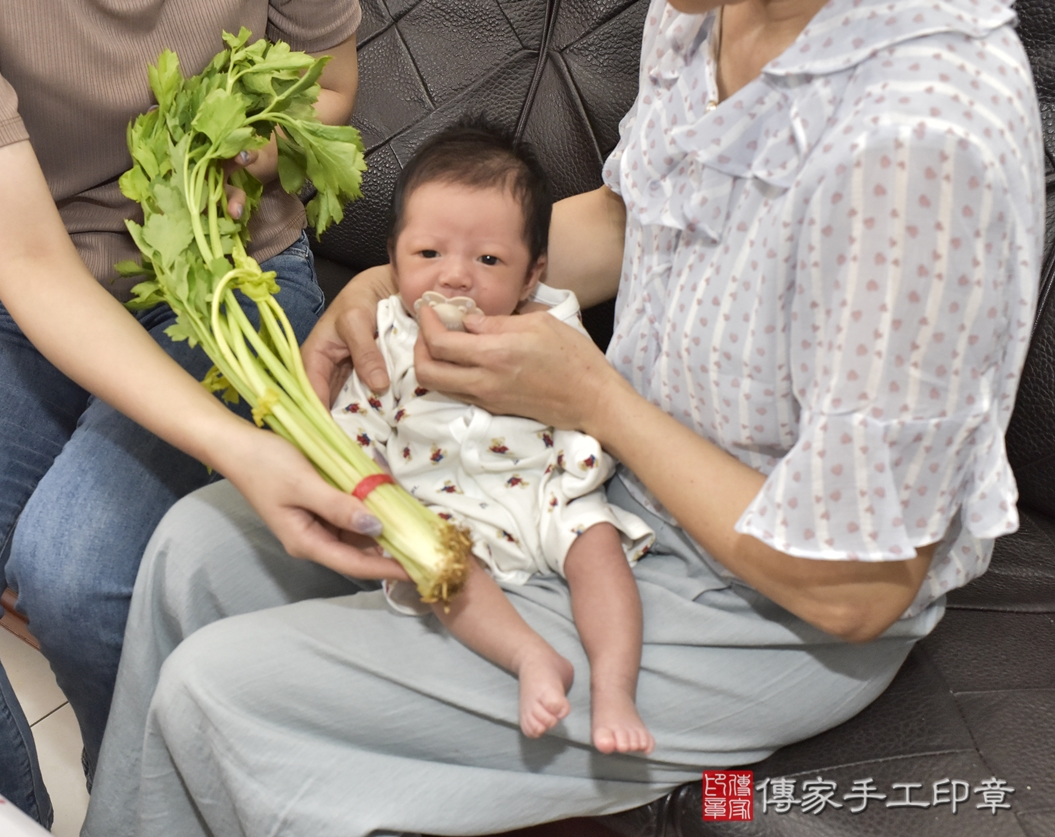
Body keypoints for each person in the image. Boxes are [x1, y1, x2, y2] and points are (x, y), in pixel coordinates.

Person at [84, 0, 1044, 832]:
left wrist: (595, 401)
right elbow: (632, 222)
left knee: (225, 693)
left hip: (766, 605)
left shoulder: (921, 140)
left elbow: (856, 586)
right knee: (196, 551)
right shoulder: (708, 13)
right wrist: (398, 285)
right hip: (597, 479)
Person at [0, 0, 394, 827]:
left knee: (86, 571)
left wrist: (236, 166)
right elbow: (27, 260)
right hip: (19, 288)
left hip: (227, 273)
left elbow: (330, 83)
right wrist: (236, 447)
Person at [330, 123, 657, 753]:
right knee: (448, 574)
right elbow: (359, 423)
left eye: (488, 260)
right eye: (428, 255)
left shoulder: (552, 326)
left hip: (545, 491)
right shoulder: (388, 334)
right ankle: (531, 658)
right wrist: (362, 494)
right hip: (444, 508)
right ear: (393, 260)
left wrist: (581, 470)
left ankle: (615, 688)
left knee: (599, 550)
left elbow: (591, 408)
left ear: (531, 276)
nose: (455, 278)